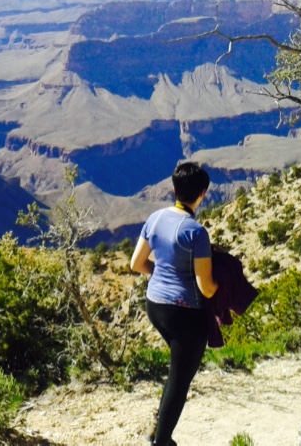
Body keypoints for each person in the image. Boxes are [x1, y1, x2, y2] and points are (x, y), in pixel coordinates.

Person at [130, 161, 217, 446]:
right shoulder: (196, 232)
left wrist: (162, 274)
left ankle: (159, 428)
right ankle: (161, 440)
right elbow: (205, 286)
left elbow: (136, 263)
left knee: (176, 373)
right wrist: (224, 287)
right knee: (180, 381)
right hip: (185, 316)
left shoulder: (154, 218)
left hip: (155, 306)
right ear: (202, 194)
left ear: (174, 189)